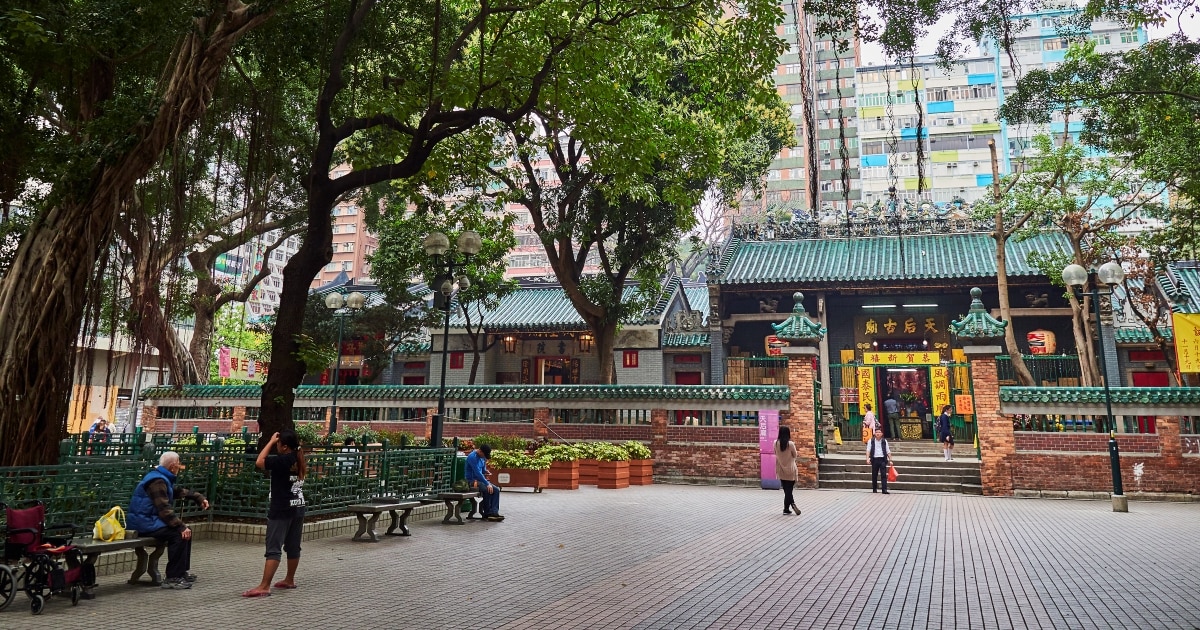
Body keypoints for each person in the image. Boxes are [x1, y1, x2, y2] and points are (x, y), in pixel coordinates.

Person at [126, 451, 210, 589]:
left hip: (148, 521)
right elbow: (164, 509)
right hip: (143, 523)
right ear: (172, 466)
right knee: (179, 534)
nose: (180, 467)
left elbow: (177, 491)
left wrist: (198, 497)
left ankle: (181, 572)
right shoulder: (157, 481)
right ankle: (173, 577)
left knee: (186, 531)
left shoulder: (161, 478)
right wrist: (180, 526)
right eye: (179, 464)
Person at [244, 431, 307, 598]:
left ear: (284, 446)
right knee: (293, 546)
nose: (277, 446)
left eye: (279, 444)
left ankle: (264, 586)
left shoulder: (283, 460)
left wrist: (270, 442)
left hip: (281, 509)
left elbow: (259, 462)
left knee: (273, 548)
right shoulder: (298, 457)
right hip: (298, 506)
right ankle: (289, 579)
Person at [465, 444, 504, 521]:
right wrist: (487, 484)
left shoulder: (482, 458)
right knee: (487, 489)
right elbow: (477, 473)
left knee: (496, 490)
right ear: (480, 451)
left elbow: (482, 470)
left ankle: (494, 512)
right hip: (472, 481)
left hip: (480, 480)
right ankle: (487, 513)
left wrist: (486, 471)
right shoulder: (472, 457)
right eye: (484, 455)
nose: (484, 457)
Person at [774, 426, 801, 515]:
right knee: (789, 489)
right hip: (791, 469)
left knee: (786, 489)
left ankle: (786, 509)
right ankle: (792, 504)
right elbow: (795, 455)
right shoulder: (790, 444)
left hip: (781, 469)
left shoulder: (775, 443)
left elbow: (776, 453)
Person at [865, 428, 893, 494]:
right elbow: (868, 450)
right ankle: (874, 489)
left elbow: (888, 451)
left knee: (883, 475)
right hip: (874, 459)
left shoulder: (884, 441)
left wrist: (890, 460)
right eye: (876, 432)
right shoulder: (871, 441)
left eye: (879, 432)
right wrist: (867, 458)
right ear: (874, 434)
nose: (878, 433)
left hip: (882, 459)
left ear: (881, 434)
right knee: (874, 475)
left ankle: (884, 489)